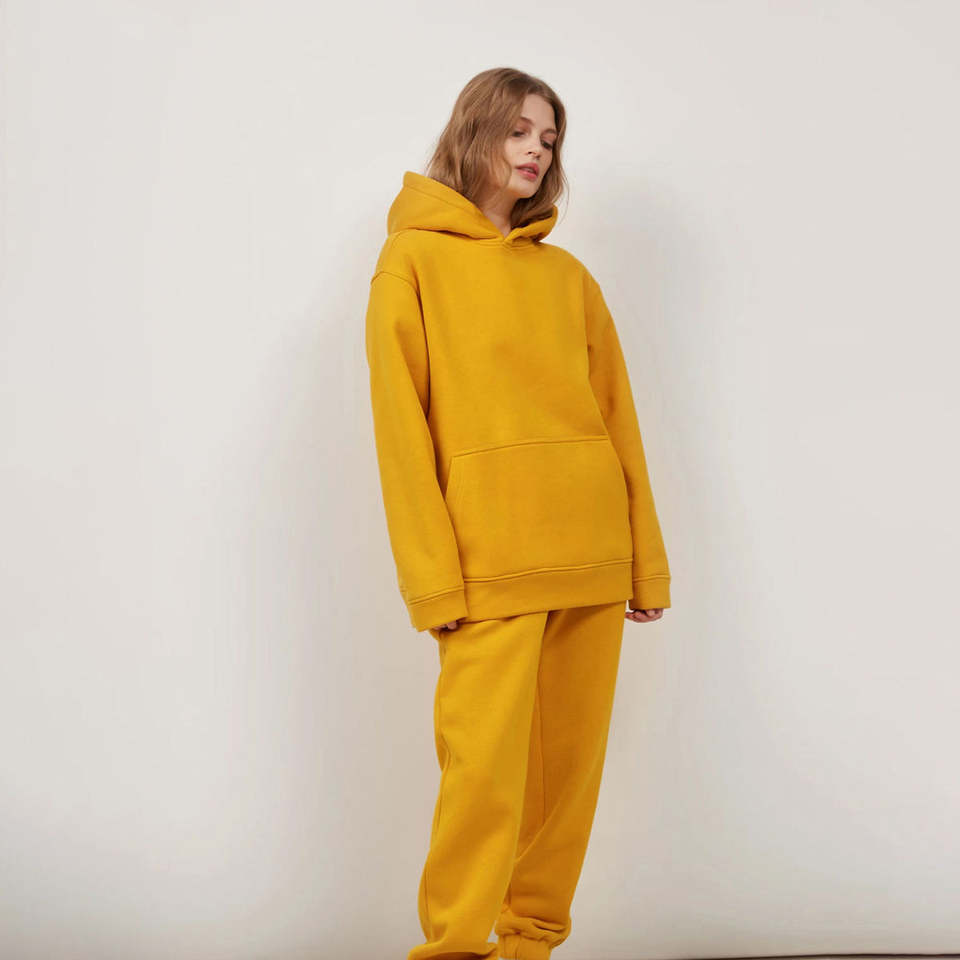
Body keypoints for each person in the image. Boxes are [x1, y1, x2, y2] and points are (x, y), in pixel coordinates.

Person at [364, 66, 672, 960]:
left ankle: (531, 943)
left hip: (590, 552)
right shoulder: (411, 263)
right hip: (487, 565)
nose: (537, 149)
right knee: (482, 778)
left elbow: (617, 421)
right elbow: (400, 432)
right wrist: (431, 579)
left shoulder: (569, 278)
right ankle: (455, 950)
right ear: (477, 131)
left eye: (549, 138)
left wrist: (644, 564)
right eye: (520, 130)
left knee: (566, 784)